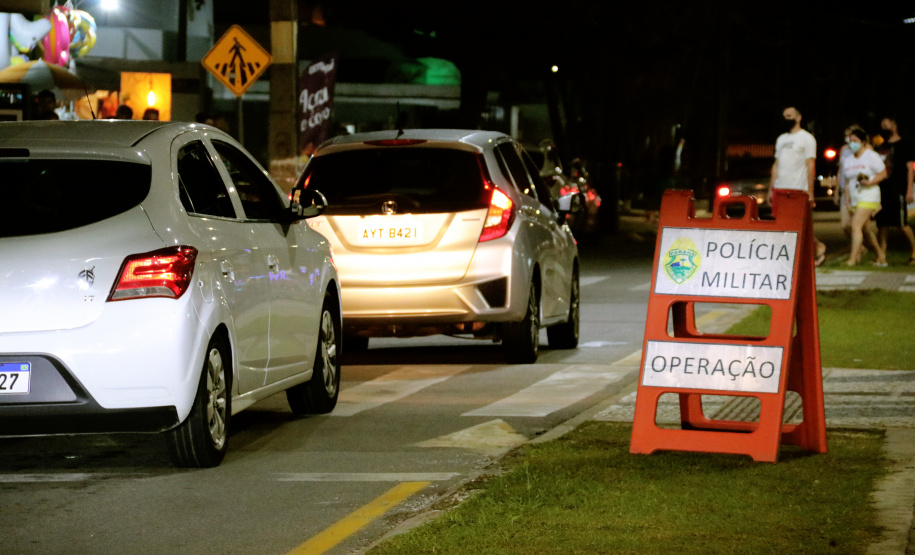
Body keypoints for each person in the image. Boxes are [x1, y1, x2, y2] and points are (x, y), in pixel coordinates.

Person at [768, 105, 827, 265]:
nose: (786, 118)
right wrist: (770, 189)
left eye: (789, 115)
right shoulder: (781, 139)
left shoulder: (806, 138)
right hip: (780, 188)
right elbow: (776, 164)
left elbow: (810, 166)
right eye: (784, 116)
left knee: (801, 224)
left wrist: (810, 191)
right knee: (781, 224)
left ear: (798, 117)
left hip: (797, 189)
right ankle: (787, 257)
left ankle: (817, 248)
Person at [842, 126, 887, 266]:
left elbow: (883, 173)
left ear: (862, 142)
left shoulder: (871, 156)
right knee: (865, 230)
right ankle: (881, 256)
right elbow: (848, 182)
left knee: (855, 226)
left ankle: (853, 259)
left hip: (869, 195)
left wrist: (870, 182)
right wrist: (847, 201)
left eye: (855, 140)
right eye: (850, 141)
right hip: (855, 197)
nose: (852, 143)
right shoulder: (848, 159)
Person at [874, 117, 915, 265]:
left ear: (895, 124)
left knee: (901, 223)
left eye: (887, 124)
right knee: (882, 224)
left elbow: (910, 168)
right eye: (882, 124)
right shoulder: (881, 146)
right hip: (882, 189)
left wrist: (909, 189)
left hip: (898, 188)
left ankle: (914, 252)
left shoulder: (905, 144)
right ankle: (881, 255)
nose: (884, 127)